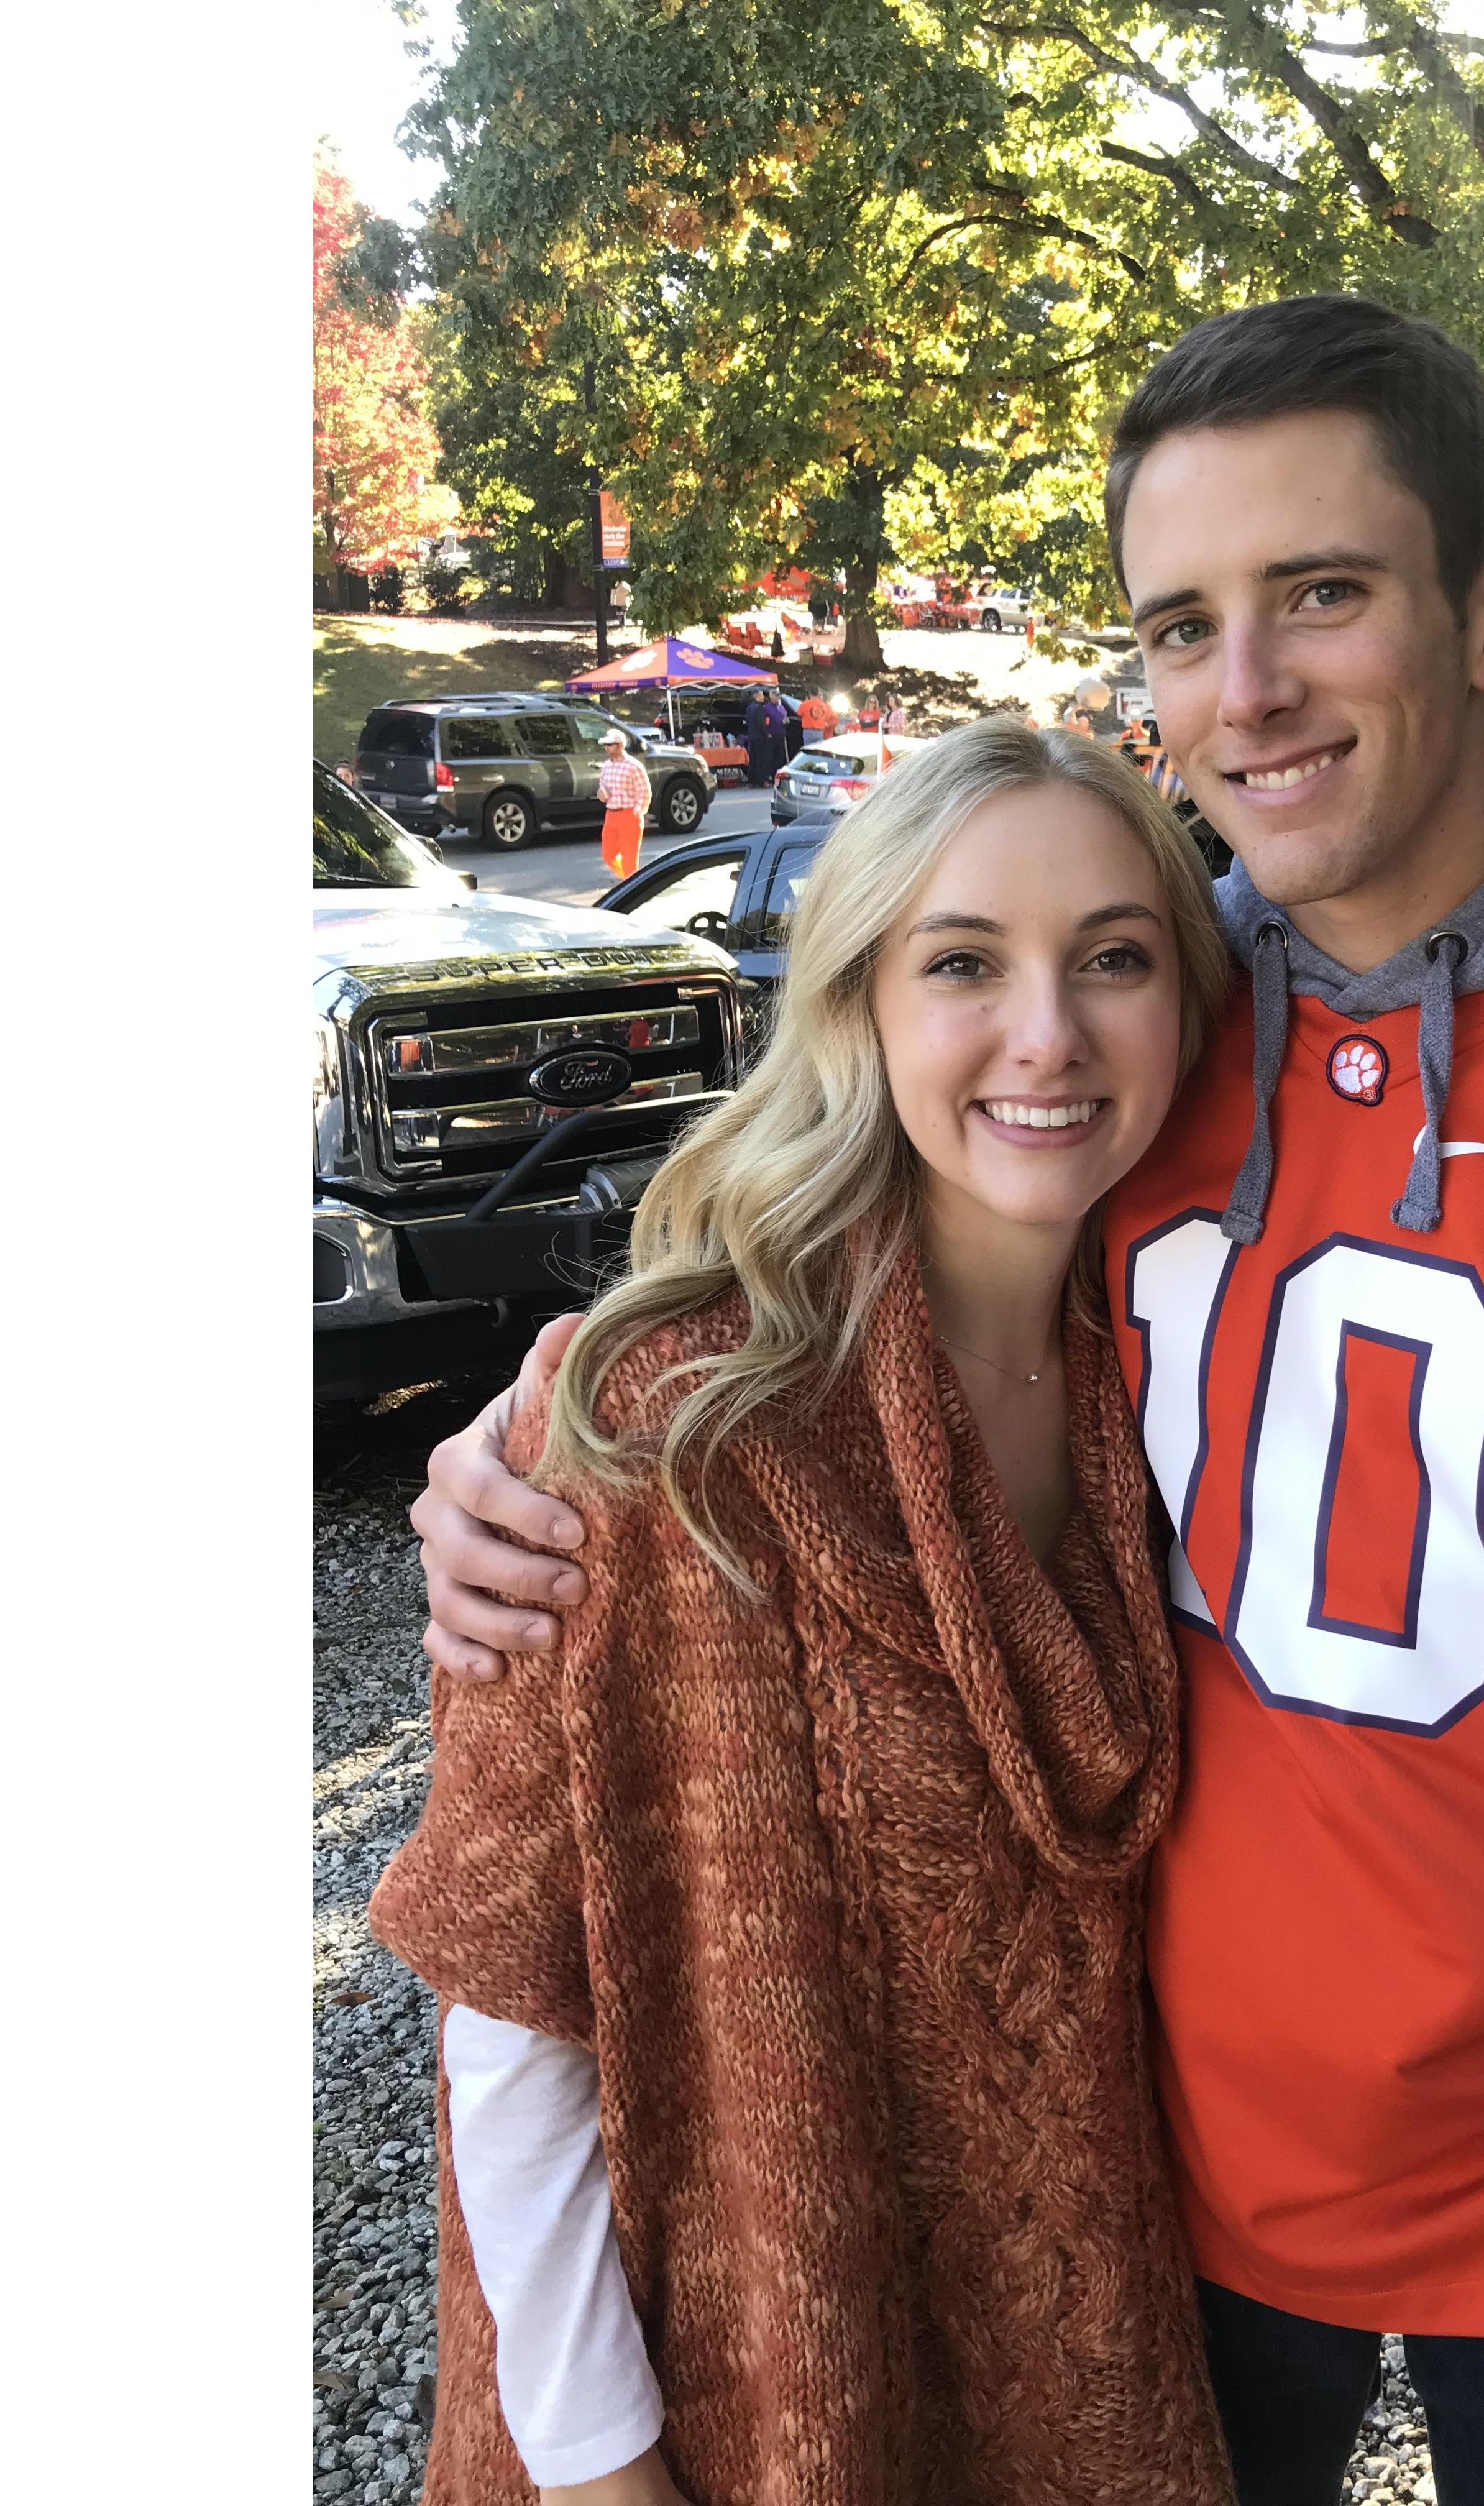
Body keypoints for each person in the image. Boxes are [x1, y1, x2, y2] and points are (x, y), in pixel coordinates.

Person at [410, 296, 1484, 2506]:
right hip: (1142, 2170)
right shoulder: (1155, 1037)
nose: (1245, 686)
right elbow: (845, 1260)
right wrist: (532, 1432)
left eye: (1323, 592)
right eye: (1184, 622)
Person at [372, 720, 1237, 2506]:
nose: (1049, 1034)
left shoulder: (1184, 1380)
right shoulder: (673, 1428)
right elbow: (516, 2005)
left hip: (1083, 2342)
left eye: (1115, 959)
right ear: (858, 1006)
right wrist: (598, 2468)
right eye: (964, 963)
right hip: (738, 2385)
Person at [593, 727, 649, 881]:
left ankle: (632, 883)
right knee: (608, 854)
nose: (607, 748)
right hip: (611, 814)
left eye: (610, 744)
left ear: (620, 745)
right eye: (605, 745)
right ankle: (631, 881)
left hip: (629, 814)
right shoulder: (606, 766)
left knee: (629, 859)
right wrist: (602, 793)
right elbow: (603, 786)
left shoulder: (633, 766)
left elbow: (644, 791)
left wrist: (637, 812)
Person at [740, 689, 781, 789]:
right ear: (757, 697)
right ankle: (761, 780)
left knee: (753, 758)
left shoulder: (749, 708)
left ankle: (752, 779)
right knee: (761, 759)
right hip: (760, 737)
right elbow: (761, 723)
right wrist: (767, 734)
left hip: (752, 736)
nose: (763, 697)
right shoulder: (759, 708)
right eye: (762, 696)